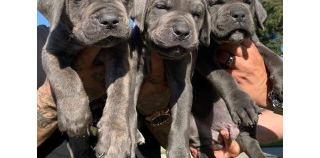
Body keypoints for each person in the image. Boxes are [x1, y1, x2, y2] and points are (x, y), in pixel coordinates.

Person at [37, 25, 282, 157]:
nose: (106, 12)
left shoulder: (142, 47)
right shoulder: (41, 42)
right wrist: (56, 96)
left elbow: (280, 120)